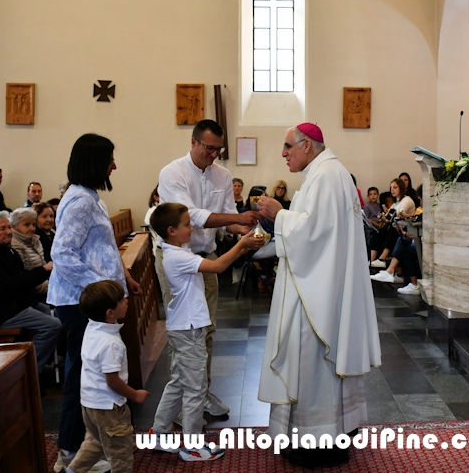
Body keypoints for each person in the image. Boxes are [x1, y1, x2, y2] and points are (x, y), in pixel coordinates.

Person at [256, 123, 381, 469]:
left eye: (287, 147)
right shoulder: (328, 172)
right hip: (324, 282)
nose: (283, 154)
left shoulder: (325, 175)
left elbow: (311, 233)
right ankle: (328, 435)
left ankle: (316, 441)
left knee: (312, 360)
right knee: (317, 364)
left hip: (317, 293)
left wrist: (277, 214)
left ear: (307, 145)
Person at [48, 133, 141, 473]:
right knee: (79, 378)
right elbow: (62, 254)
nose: (114, 165)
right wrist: (103, 289)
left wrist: (123, 277)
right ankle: (70, 452)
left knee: (94, 377)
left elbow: (99, 249)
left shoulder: (89, 196)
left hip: (89, 299)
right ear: (94, 162)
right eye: (109, 159)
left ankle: (88, 448)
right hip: (80, 304)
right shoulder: (81, 201)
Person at [157, 119, 259, 417]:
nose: (214, 154)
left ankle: (200, 394)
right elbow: (192, 215)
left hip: (207, 255)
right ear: (193, 142)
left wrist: (244, 229)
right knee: (182, 335)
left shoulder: (223, 175)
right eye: (209, 148)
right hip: (177, 261)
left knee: (206, 331)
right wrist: (237, 219)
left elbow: (227, 216)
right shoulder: (172, 172)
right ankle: (179, 406)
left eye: (218, 149)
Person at [147, 203, 262, 461]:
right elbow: (219, 266)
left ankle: (159, 433)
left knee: (179, 382)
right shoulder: (177, 256)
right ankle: (192, 445)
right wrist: (242, 245)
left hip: (183, 326)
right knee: (195, 387)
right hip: (188, 329)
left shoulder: (175, 249)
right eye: (187, 224)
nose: (192, 227)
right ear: (171, 230)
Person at [64, 280, 149, 473]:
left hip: (89, 403)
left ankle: (72, 470)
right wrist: (134, 395)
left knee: (95, 442)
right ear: (110, 313)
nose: (126, 301)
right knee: (121, 454)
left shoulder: (92, 327)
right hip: (108, 407)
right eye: (121, 300)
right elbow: (112, 380)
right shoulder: (111, 343)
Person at [0, 211, 61, 378]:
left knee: (53, 311)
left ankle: (44, 362)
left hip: (15, 302)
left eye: (9, 227)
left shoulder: (3, 249)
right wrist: (43, 271)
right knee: (52, 325)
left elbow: (19, 277)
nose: (9, 231)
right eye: (2, 228)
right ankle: (29, 373)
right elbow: (6, 286)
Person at [369, 178, 415, 268]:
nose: (392, 190)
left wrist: (388, 218)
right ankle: (372, 261)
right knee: (378, 232)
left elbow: (400, 215)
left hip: (406, 230)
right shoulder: (396, 203)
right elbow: (389, 218)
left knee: (392, 232)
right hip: (397, 227)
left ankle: (382, 259)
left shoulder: (407, 200)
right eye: (391, 188)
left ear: (401, 188)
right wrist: (383, 218)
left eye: (395, 187)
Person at [10, 207, 49, 299]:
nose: (32, 228)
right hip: (33, 292)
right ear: (14, 226)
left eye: (34, 224)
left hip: (44, 283)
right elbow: (26, 279)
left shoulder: (35, 239)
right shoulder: (15, 245)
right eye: (27, 225)